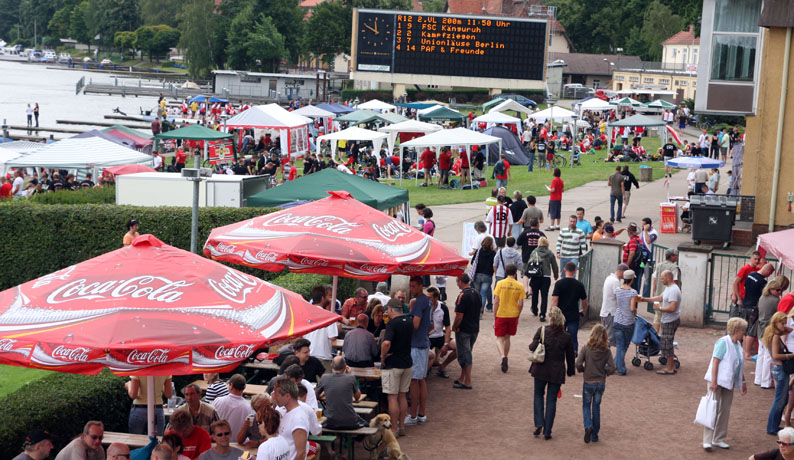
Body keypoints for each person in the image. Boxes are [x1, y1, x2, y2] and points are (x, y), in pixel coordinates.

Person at [529, 306, 576, 440]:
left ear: (550, 318)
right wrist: (570, 370)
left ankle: (539, 423)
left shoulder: (542, 330)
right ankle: (548, 430)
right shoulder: (566, 336)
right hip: (557, 371)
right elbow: (570, 356)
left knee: (538, 395)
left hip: (540, 369)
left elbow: (532, 347)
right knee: (551, 400)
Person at [703, 317, 748, 450]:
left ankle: (718, 438)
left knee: (725, 410)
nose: (744, 333)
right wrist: (714, 381)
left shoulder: (738, 344)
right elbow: (715, 362)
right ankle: (707, 440)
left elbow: (738, 364)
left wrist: (743, 381)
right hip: (717, 381)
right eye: (743, 330)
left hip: (729, 382)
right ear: (736, 330)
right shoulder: (723, 342)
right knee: (712, 409)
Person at [576, 324, 616, 444]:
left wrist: (582, 370)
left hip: (588, 381)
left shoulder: (586, 348)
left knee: (586, 405)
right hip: (600, 382)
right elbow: (612, 367)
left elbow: (578, 363)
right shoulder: (606, 350)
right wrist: (605, 372)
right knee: (596, 407)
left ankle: (588, 426)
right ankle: (594, 435)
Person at [381, 298, 414, 437]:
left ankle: (393, 429)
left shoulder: (392, 323)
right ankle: (401, 426)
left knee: (392, 397)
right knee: (403, 396)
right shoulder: (410, 321)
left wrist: (383, 356)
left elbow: (386, 343)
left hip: (393, 363)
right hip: (407, 362)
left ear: (390, 310)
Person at [641, 270, 681, 375]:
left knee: (667, 343)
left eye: (662, 278)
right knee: (667, 342)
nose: (661, 280)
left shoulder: (673, 290)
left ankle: (670, 367)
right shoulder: (669, 288)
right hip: (667, 319)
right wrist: (645, 299)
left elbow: (672, 308)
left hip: (670, 320)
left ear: (668, 278)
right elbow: (660, 297)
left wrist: (659, 308)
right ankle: (671, 366)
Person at [405, 276, 432, 426]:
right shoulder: (427, 300)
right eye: (410, 286)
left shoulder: (419, 302)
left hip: (416, 345)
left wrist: (402, 321)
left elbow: (415, 324)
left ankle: (413, 415)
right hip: (423, 342)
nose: (411, 289)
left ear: (421, 286)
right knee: (421, 379)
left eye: (414, 286)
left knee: (414, 380)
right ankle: (421, 414)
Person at [763, 312, 794, 435]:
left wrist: (783, 327)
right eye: (782, 323)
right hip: (780, 369)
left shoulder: (772, 333)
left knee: (782, 399)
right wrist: (790, 355)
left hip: (779, 369)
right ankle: (772, 427)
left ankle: (774, 426)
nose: (784, 325)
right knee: (780, 400)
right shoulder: (775, 335)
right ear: (776, 322)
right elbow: (775, 355)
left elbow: (790, 330)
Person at [757, 278, 790, 388]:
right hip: (768, 329)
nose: (780, 292)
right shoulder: (775, 301)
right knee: (768, 356)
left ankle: (759, 378)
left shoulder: (762, 297)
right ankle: (765, 381)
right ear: (770, 289)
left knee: (761, 354)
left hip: (760, 328)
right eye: (777, 290)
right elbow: (779, 315)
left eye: (781, 290)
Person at [493, 263, 524, 373]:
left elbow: (496, 301)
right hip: (513, 314)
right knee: (508, 337)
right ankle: (506, 356)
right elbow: (521, 303)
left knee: (499, 338)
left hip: (501, 313)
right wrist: (518, 314)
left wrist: (495, 315)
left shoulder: (500, 283)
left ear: (506, 272)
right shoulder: (519, 285)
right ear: (515, 273)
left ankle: (503, 357)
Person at [552, 262, 588, 354]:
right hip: (573, 314)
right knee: (573, 336)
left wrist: (553, 313)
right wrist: (584, 310)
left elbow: (555, 299)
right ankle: (573, 352)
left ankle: (559, 352)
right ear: (575, 271)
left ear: (564, 269)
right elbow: (584, 301)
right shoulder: (579, 284)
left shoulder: (559, 284)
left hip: (560, 315)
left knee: (559, 335)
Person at [316, 356, 362, 430]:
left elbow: (316, 395)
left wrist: (325, 393)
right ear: (345, 367)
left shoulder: (324, 378)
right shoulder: (350, 377)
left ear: (331, 366)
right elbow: (357, 397)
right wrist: (349, 374)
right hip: (349, 421)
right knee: (365, 423)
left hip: (330, 422)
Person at [452, 274, 481, 389]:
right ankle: (462, 378)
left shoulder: (462, 295)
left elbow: (459, 316)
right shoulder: (477, 293)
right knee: (467, 353)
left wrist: (454, 327)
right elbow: (480, 310)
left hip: (463, 329)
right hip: (474, 328)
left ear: (460, 281)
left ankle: (467, 381)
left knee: (464, 355)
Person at [271, 379, 309, 460]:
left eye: (277, 395)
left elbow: (301, 454)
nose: (274, 397)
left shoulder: (298, 419)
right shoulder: (285, 412)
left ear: (287, 396)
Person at [746, 264, 777, 358]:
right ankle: (747, 353)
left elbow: (745, 286)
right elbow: (763, 293)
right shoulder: (762, 282)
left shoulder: (750, 275)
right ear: (768, 271)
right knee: (751, 331)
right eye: (770, 273)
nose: (769, 275)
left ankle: (746, 351)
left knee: (747, 330)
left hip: (746, 304)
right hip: (754, 307)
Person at [211, 374, 254, 440]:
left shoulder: (217, 401)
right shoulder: (249, 407)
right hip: (240, 443)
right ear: (244, 387)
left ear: (231, 385)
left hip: (220, 441)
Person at [614, 270, 639, 375]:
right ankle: (621, 369)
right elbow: (632, 308)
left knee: (620, 344)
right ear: (632, 279)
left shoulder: (617, 289)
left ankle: (614, 364)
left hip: (617, 319)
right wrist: (635, 312)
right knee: (624, 345)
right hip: (628, 321)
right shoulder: (633, 292)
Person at [528, 236, 558, 322]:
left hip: (536, 275)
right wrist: (556, 275)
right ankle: (542, 314)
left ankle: (534, 309)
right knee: (544, 296)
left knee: (535, 294)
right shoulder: (550, 253)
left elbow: (530, 263)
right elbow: (554, 265)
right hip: (546, 276)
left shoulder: (534, 252)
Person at [650, 249, 680, 334]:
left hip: (658, 294)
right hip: (668, 297)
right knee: (667, 318)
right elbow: (675, 282)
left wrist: (654, 293)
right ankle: (664, 335)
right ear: (671, 256)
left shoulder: (659, 265)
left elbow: (654, 279)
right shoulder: (674, 268)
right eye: (676, 255)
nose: (677, 257)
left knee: (657, 317)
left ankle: (655, 335)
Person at [601, 264, 629, 347]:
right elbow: (618, 297)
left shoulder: (609, 278)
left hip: (605, 311)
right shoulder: (615, 281)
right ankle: (605, 354)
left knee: (605, 337)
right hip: (611, 312)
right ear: (622, 271)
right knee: (609, 338)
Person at [426, 286, 452, 372]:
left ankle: (442, 367)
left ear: (436, 298)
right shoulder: (423, 307)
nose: (427, 300)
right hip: (427, 338)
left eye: (429, 298)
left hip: (440, 336)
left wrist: (446, 344)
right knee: (429, 356)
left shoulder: (443, 308)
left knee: (458, 348)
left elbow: (448, 327)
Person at [471, 236, 496, 313]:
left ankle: (475, 311)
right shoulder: (493, 253)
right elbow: (495, 264)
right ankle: (480, 312)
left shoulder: (479, 251)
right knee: (483, 294)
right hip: (487, 275)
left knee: (477, 294)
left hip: (477, 274)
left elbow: (472, 262)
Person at [622, 223, 644, 291]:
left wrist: (627, 265)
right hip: (638, 266)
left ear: (629, 232)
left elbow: (632, 253)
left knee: (631, 286)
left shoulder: (632, 241)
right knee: (636, 284)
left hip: (633, 267)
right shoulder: (639, 240)